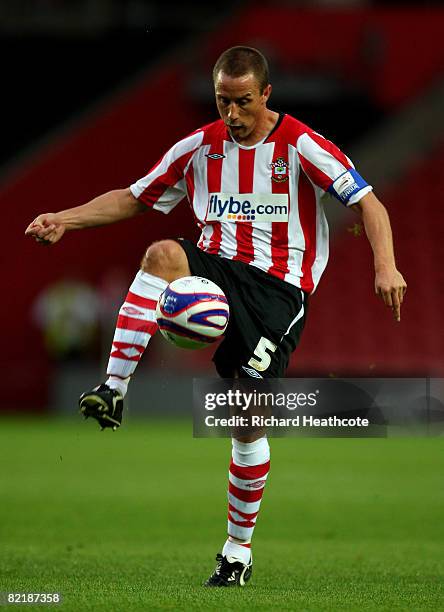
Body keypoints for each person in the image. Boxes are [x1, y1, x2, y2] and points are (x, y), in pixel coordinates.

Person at [25, 46, 407, 587]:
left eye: (244, 102)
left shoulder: (299, 143)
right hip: (219, 273)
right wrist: (64, 218)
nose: (232, 114)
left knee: (245, 416)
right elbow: (135, 198)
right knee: (161, 253)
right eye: (223, 101)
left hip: (278, 293)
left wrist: (385, 266)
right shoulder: (197, 148)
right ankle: (113, 387)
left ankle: (237, 549)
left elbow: (369, 203)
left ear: (266, 94)